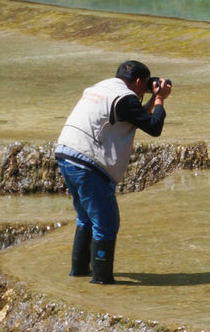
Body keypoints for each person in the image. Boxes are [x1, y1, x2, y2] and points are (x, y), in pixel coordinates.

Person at [55, 60, 172, 284]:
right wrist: (159, 99)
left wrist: (149, 99)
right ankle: (101, 280)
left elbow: (134, 116)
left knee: (86, 218)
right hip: (87, 162)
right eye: (145, 85)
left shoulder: (101, 88)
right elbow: (154, 127)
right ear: (139, 81)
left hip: (65, 154)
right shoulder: (125, 98)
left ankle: (78, 272)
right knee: (107, 223)